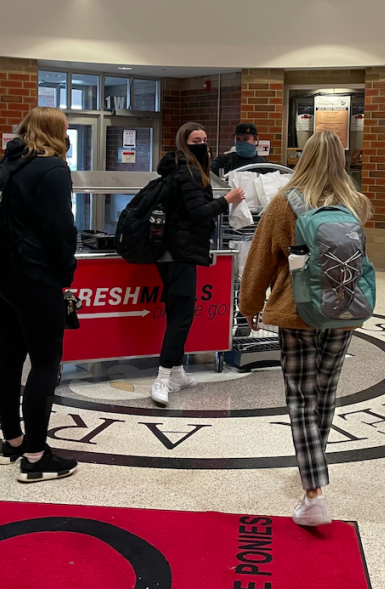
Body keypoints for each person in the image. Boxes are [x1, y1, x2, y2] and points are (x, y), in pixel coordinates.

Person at [239, 130, 371, 527]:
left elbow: (261, 260)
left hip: (296, 310)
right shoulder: (356, 203)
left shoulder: (284, 203)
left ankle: (314, 492)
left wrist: (249, 305)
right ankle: (311, 479)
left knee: (299, 395)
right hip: (343, 310)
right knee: (325, 392)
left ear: (304, 158)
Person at [0, 107, 79, 482]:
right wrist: (65, 273)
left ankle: (13, 442)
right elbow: (60, 230)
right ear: (57, 131)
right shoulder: (53, 169)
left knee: (9, 355)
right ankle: (37, 459)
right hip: (35, 275)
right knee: (45, 361)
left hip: (0, 274)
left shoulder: (7, 164)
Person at [151, 121, 245, 406]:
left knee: (177, 312)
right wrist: (226, 200)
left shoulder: (179, 169)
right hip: (180, 253)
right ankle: (163, 378)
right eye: (195, 139)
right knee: (181, 318)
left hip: (172, 252)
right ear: (184, 142)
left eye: (204, 138)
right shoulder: (190, 172)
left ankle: (178, 373)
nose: (202, 143)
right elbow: (198, 213)